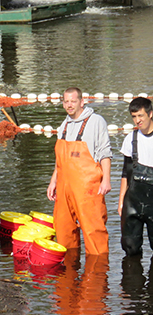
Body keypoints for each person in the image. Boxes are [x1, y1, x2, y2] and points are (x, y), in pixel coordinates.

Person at [47, 87, 112, 255]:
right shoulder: (64, 125)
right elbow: (59, 160)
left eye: (73, 101)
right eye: (66, 101)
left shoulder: (96, 121)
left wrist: (106, 180)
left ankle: (97, 275)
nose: (70, 105)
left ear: (82, 102)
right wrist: (53, 181)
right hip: (64, 188)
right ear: (63, 103)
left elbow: (105, 153)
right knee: (63, 231)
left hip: (88, 189)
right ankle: (68, 275)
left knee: (93, 233)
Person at [118, 97, 153, 257]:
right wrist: (121, 203)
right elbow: (126, 173)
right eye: (134, 117)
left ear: (150, 114)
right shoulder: (130, 139)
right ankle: (132, 281)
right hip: (132, 202)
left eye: (141, 116)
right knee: (130, 247)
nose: (137, 120)